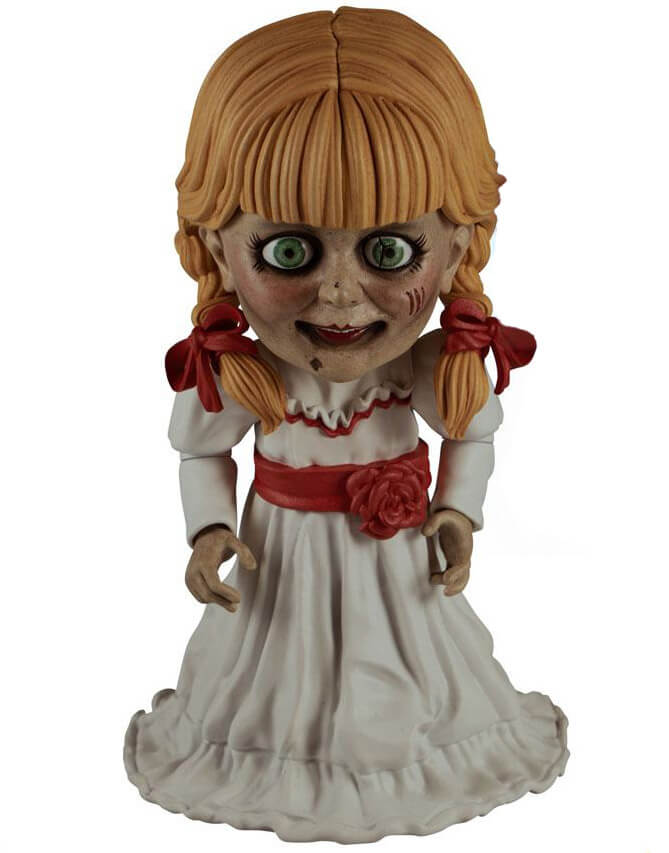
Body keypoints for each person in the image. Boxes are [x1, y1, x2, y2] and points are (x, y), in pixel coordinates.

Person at [125, 8, 568, 842]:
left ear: (457, 244)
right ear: (217, 248)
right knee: (274, 678)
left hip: (391, 563)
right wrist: (210, 530)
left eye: (388, 251)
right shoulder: (239, 371)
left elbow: (471, 434)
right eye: (288, 252)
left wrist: (456, 512)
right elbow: (201, 455)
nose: (337, 293)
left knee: (405, 667)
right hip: (279, 561)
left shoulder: (422, 367)